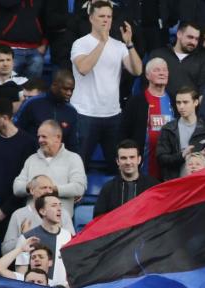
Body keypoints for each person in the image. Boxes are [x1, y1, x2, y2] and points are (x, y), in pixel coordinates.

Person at [70, 0, 143, 175]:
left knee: (119, 169)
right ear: (91, 18)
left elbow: (137, 70)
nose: (106, 20)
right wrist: (102, 43)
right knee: (79, 168)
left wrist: (129, 43)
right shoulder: (80, 43)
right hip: (84, 113)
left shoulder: (119, 46)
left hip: (112, 115)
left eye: (109, 16)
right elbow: (84, 68)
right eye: (101, 16)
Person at [11, 120, 87, 223]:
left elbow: (79, 188)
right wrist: (32, 187)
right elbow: (16, 188)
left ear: (58, 137)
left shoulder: (73, 158)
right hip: (32, 223)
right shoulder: (32, 159)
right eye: (39, 137)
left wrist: (51, 189)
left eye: (44, 136)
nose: (40, 140)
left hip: (61, 224)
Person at [94, 140, 156, 217]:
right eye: (123, 158)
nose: (128, 162)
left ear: (139, 160)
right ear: (117, 161)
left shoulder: (153, 186)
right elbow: (98, 218)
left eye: (132, 157)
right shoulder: (108, 188)